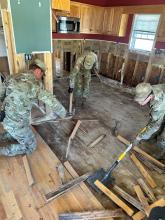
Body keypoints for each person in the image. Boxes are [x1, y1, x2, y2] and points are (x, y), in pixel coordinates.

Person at [0, 59, 66, 156]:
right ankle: (2, 151)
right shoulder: (34, 86)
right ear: (38, 71)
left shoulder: (12, 77)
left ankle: (7, 135)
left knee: (17, 131)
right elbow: (51, 100)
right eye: (41, 75)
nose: (40, 78)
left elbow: (1, 95)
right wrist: (63, 113)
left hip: (7, 119)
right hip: (17, 123)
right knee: (31, 146)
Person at [134, 82, 165, 159]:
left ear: (150, 96)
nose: (139, 102)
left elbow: (155, 125)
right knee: (159, 120)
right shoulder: (149, 89)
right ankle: (153, 137)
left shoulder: (159, 104)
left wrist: (140, 136)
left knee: (163, 133)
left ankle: (162, 151)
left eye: (141, 100)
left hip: (162, 104)